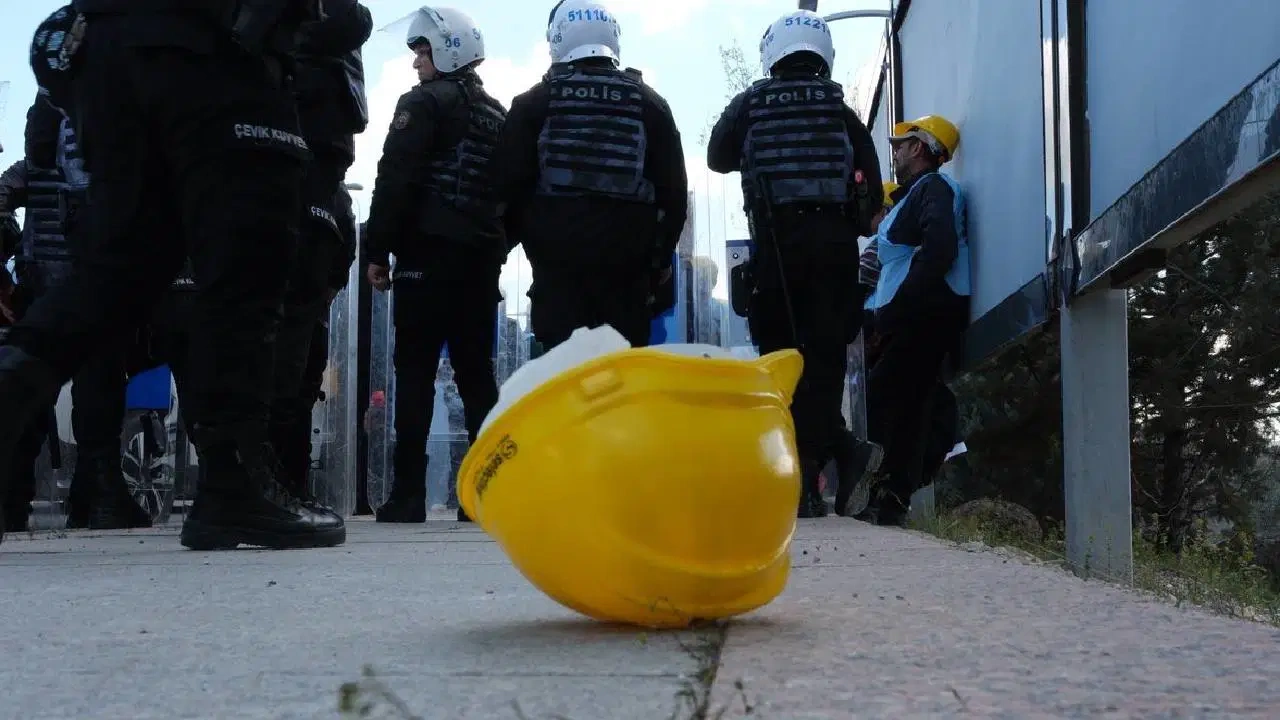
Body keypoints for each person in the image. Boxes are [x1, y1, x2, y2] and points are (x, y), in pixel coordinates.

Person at [1, 1, 346, 549]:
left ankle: (9, 389)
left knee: (120, 265)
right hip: (221, 47)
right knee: (247, 265)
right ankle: (233, 485)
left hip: (110, 42)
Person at [707, 8, 883, 518]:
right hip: (832, 250)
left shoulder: (752, 103)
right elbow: (869, 196)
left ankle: (806, 480)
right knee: (824, 363)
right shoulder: (842, 112)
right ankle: (833, 458)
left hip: (777, 248)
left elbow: (719, 155)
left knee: (781, 363)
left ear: (771, 55)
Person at [364, 6, 507, 524]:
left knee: (416, 371)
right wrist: (494, 248)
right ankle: (485, 493)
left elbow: (394, 178)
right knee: (476, 375)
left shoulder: (421, 104)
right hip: (477, 265)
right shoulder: (499, 115)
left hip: (425, 259)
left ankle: (406, 495)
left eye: (422, 51)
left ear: (446, 50)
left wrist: (377, 250)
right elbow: (511, 195)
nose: (416, 62)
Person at [494, 0, 689, 351]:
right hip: (628, 281)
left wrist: (512, 248)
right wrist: (658, 262)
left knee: (564, 381)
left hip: (558, 277)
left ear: (556, 40)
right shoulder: (650, 103)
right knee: (623, 382)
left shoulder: (534, 103)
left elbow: (507, 190)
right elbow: (673, 195)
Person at [269, 2, 371, 504]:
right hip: (292, 169)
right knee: (285, 356)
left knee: (297, 361)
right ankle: (269, 480)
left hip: (303, 175)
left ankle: (278, 480)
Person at [861, 113, 969, 526]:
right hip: (912, 317)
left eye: (900, 147)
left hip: (922, 315)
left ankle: (893, 495)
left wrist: (902, 305)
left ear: (919, 148)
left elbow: (939, 250)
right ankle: (890, 496)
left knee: (891, 401)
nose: (896, 154)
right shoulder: (918, 193)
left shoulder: (934, 188)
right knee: (903, 403)